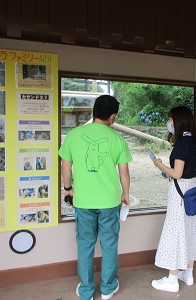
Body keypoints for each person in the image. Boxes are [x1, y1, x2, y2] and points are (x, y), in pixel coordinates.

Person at [59, 95, 132, 300]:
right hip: (110, 202)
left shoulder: (74, 135)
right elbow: (124, 173)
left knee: (85, 244)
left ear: (94, 111)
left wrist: (68, 188)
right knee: (109, 245)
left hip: (83, 201)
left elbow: (65, 166)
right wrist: (125, 194)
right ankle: (108, 289)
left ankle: (86, 291)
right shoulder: (117, 139)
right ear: (113, 116)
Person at [151, 106, 196, 292]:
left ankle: (172, 280)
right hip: (191, 193)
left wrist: (159, 164)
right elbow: (187, 172)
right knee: (190, 231)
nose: (169, 123)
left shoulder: (181, 144)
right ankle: (188, 274)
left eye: (170, 119)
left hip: (179, 195)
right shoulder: (193, 141)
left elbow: (178, 173)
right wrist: (169, 174)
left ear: (178, 121)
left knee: (175, 232)